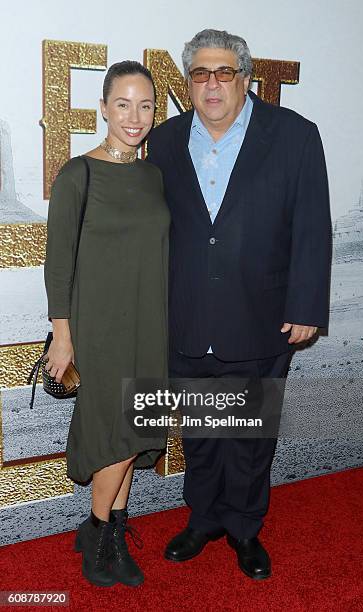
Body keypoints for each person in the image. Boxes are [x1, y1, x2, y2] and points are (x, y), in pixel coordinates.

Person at [147, 29, 332, 580]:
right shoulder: (164, 140)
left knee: (249, 436)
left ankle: (246, 529)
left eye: (223, 72)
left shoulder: (295, 135)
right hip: (186, 315)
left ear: (246, 78)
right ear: (188, 82)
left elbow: (311, 227)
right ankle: (203, 519)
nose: (212, 84)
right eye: (200, 73)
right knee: (201, 433)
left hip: (263, 314)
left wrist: (306, 305)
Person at [44, 61, 170, 587]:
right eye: (123, 104)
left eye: (145, 105)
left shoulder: (154, 174)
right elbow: (59, 263)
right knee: (114, 434)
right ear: (102, 108)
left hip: (150, 324)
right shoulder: (79, 174)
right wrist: (64, 337)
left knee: (137, 427)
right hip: (99, 329)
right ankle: (99, 535)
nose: (134, 116)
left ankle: (112, 528)